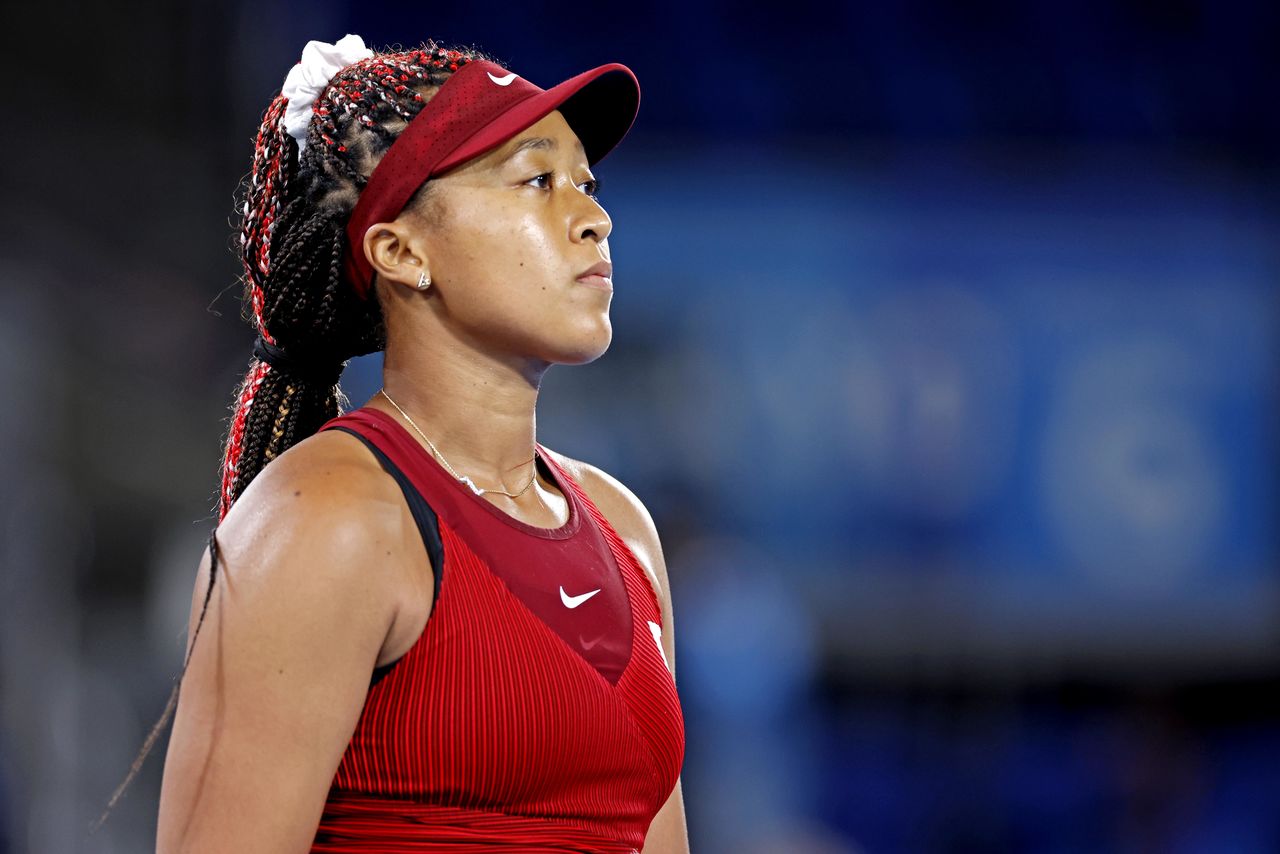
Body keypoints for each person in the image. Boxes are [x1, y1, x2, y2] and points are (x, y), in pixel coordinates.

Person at [154, 35, 688, 853]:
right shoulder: (323, 520)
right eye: (538, 181)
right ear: (402, 252)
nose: (593, 217)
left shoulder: (625, 530)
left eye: (587, 183)